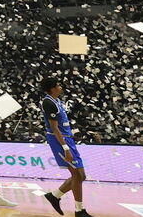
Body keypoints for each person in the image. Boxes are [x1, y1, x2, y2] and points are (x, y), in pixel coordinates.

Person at [40, 78, 91, 217]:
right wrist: (65, 148)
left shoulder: (57, 101)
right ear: (51, 89)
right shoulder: (48, 102)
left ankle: (54, 196)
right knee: (76, 174)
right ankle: (79, 210)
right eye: (58, 85)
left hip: (67, 138)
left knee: (82, 175)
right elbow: (54, 128)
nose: (60, 87)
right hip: (59, 140)